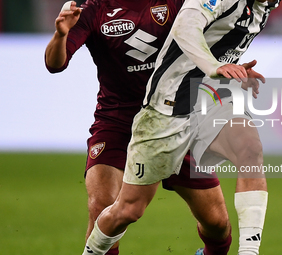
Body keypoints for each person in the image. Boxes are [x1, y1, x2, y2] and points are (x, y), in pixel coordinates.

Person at [83, 0, 280, 255]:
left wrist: (231, 70)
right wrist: (214, 66)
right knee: (128, 209)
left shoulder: (266, 4)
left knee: (250, 149)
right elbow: (185, 26)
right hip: (168, 106)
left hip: (207, 98)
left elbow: (218, 39)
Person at [45, 1, 233, 254]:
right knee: (103, 206)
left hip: (173, 119)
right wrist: (61, 34)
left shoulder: (176, 3)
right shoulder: (93, 10)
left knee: (217, 224)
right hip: (117, 122)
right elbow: (55, 64)